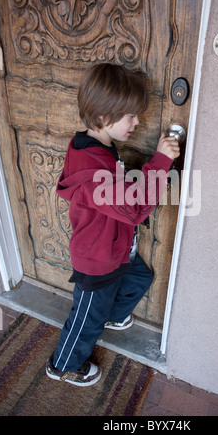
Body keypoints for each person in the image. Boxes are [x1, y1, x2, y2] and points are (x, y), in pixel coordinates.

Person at [46, 63, 180, 386]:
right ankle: (62, 364)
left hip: (116, 251)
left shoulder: (95, 146)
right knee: (86, 321)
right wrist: (161, 161)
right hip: (98, 262)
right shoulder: (93, 170)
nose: (137, 122)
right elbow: (132, 207)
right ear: (104, 118)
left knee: (140, 278)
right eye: (130, 116)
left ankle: (113, 315)